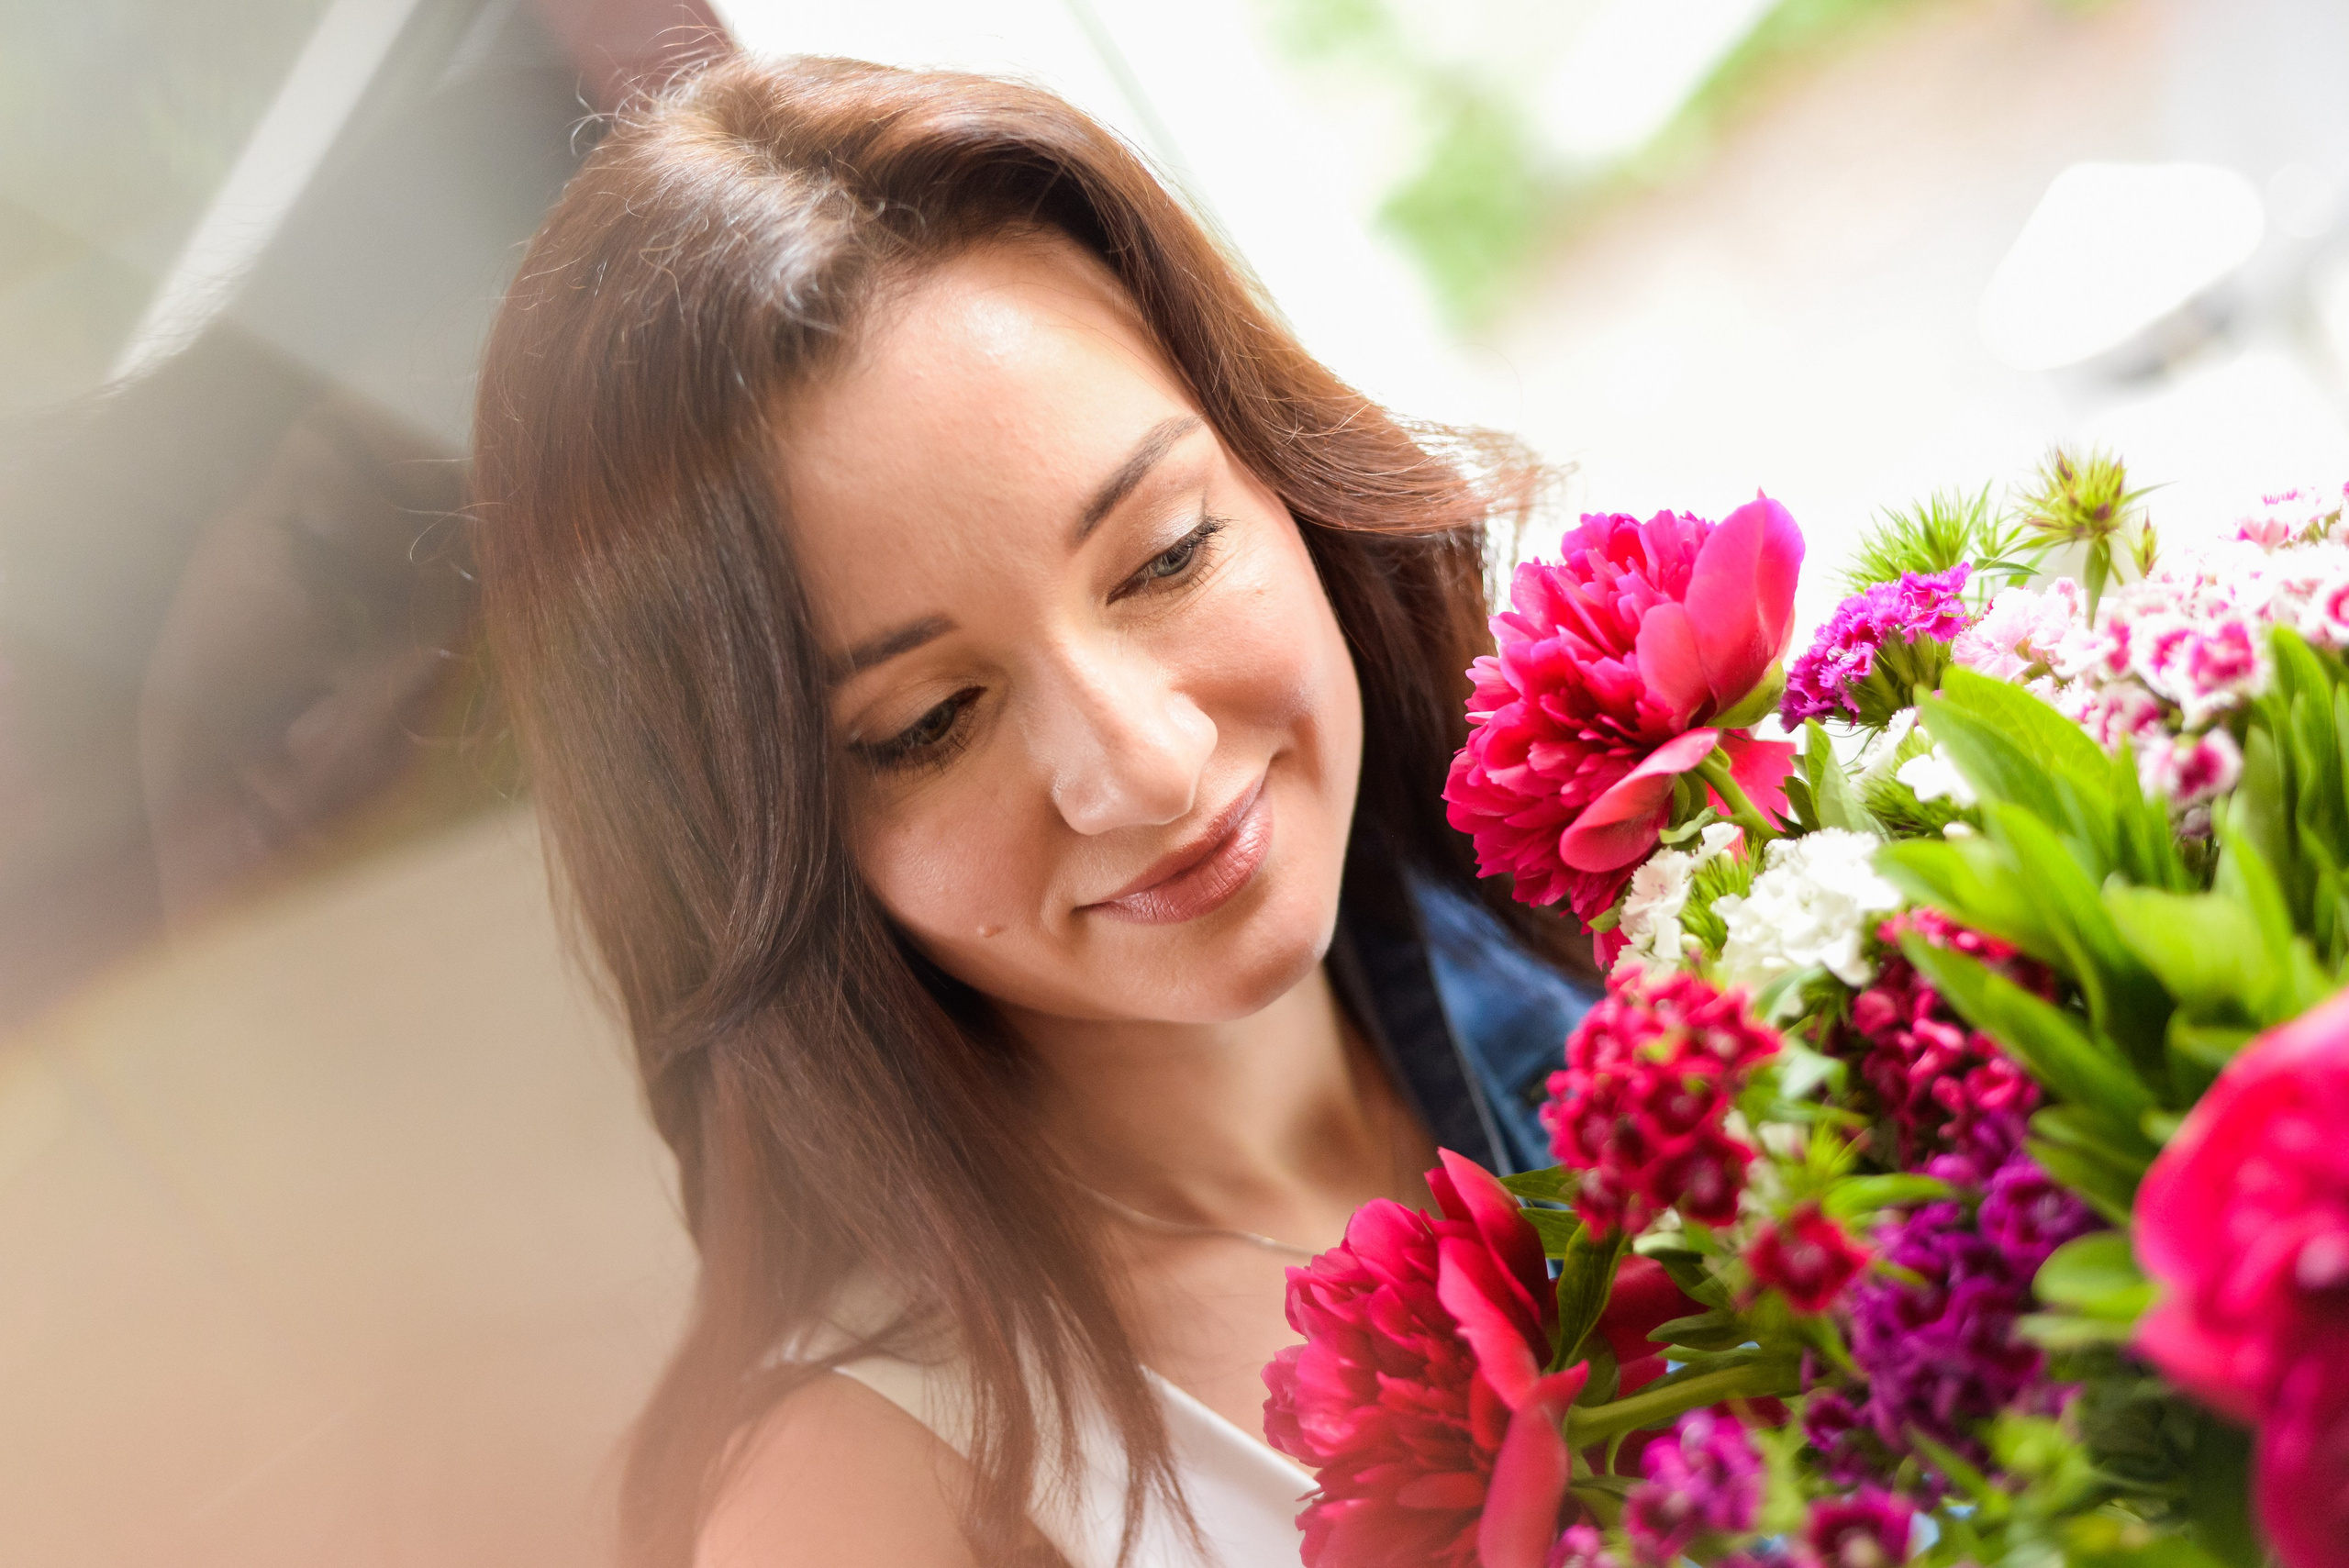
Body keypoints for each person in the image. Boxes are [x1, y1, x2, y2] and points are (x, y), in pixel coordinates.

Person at [469, 52, 1597, 1568]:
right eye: (932, 721)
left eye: (1168, 555)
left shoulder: (1653, 909)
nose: (1141, 764)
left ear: (1276, 473)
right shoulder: (873, 1504)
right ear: (769, 849)